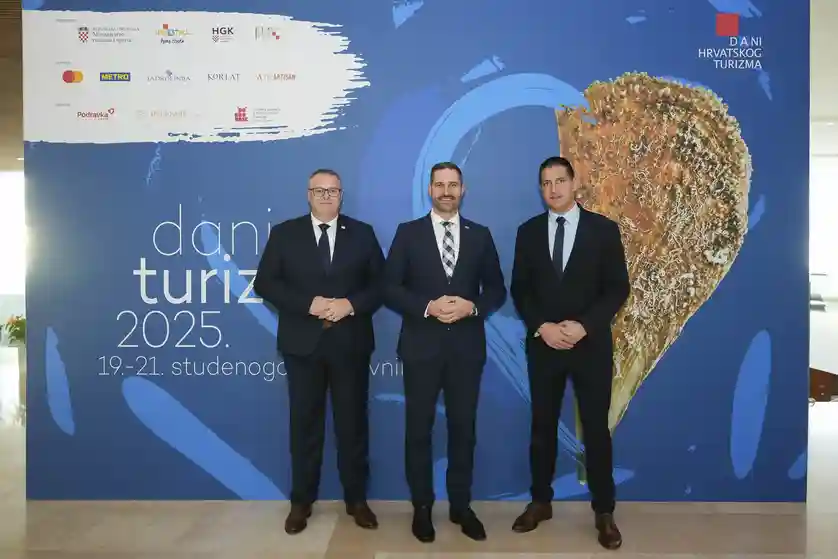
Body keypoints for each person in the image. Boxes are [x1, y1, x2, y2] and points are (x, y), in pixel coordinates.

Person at [254, 169, 384, 535]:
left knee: (352, 426)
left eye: (332, 190)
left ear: (341, 195)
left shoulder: (363, 233)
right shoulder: (285, 233)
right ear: (308, 194)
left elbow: (381, 285)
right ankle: (301, 502)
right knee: (304, 427)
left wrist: (350, 305)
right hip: (303, 346)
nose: (326, 196)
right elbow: (265, 282)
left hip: (350, 344)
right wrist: (307, 304)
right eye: (319, 190)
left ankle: (356, 500)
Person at [509, 156, 630, 550]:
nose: (553, 189)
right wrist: (542, 326)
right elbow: (520, 289)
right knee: (542, 426)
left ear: (574, 183)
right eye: (546, 183)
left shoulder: (603, 230)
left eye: (560, 180)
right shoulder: (528, 232)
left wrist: (584, 325)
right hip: (544, 345)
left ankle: (604, 512)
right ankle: (540, 502)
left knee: (595, 429)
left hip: (589, 345)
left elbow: (617, 287)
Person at [383, 161, 506, 543]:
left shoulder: (480, 235)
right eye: (440, 184)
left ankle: (460, 506)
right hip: (421, 348)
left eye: (453, 184)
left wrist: (473, 307)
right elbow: (389, 287)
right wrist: (427, 306)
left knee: (463, 430)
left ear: (463, 190)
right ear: (430, 190)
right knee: (418, 431)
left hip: (466, 351)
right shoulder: (408, 233)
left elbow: (497, 289)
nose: (447, 191)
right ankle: (422, 507)